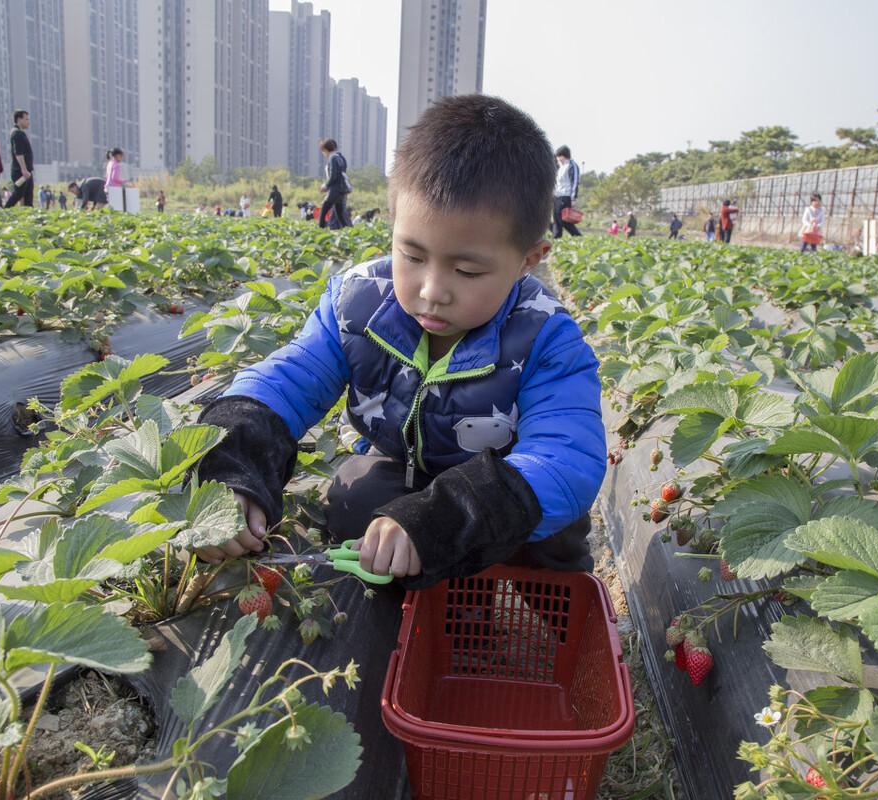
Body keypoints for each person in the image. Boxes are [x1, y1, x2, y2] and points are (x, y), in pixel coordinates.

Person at [192, 92, 604, 598]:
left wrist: (440, 520)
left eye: (467, 270)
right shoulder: (358, 305)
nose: (432, 290)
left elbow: (567, 459)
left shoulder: (544, 336)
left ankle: (555, 629)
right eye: (411, 255)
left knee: (557, 529)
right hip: (405, 474)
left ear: (528, 259)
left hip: (496, 493)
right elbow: (285, 381)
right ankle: (439, 610)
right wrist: (235, 471)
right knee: (353, 499)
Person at [318, 138, 351, 230]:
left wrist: (325, 186)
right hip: (342, 190)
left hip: (334, 190)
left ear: (325, 150)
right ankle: (350, 233)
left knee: (323, 212)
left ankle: (319, 232)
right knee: (340, 216)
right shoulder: (341, 158)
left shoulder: (332, 158)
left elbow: (333, 177)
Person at [4, 110, 34, 208]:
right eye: (26, 119)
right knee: (19, 194)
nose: (28, 121)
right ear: (18, 119)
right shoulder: (17, 134)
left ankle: (30, 217)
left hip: (26, 171)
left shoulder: (19, 133)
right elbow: (18, 153)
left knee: (28, 196)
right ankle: (4, 210)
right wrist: (24, 169)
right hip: (20, 171)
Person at [550, 145, 581, 238]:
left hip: (566, 195)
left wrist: (573, 198)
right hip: (558, 195)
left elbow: (574, 182)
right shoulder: (561, 167)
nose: (559, 159)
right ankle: (557, 236)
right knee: (556, 216)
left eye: (559, 157)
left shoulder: (572, 165)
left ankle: (576, 235)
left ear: (562, 156)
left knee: (563, 218)